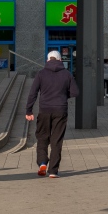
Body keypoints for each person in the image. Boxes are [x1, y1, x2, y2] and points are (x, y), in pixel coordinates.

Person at [26, 50, 79, 178]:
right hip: (60, 110)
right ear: (60, 60)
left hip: (44, 110)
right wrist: (63, 96)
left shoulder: (41, 74)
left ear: (47, 60)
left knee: (42, 137)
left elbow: (33, 93)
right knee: (57, 140)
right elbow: (75, 92)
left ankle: (42, 163)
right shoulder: (67, 74)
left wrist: (29, 110)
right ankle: (53, 171)